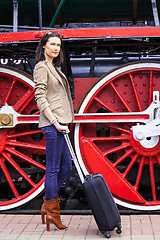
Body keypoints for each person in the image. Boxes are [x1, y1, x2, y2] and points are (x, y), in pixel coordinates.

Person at [33, 31, 74, 231]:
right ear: (44, 47)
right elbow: (40, 97)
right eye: (52, 44)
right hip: (53, 125)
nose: (56, 48)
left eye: (58, 45)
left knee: (66, 166)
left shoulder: (55, 68)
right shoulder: (42, 67)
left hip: (61, 124)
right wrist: (55, 122)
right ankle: (52, 213)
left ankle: (47, 204)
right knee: (53, 169)